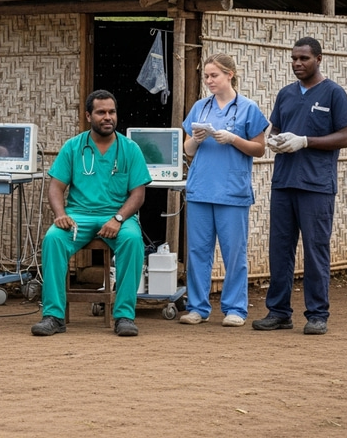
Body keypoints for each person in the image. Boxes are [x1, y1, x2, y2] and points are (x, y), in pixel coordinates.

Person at [253, 37, 347, 335]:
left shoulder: (334, 93)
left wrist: (306, 141)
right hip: (284, 182)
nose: (298, 63)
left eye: (304, 59)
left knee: (315, 249)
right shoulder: (286, 94)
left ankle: (317, 314)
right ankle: (279, 312)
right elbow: (277, 129)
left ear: (319, 59)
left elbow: (346, 137)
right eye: (294, 58)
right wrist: (275, 140)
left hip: (316, 185)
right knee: (280, 250)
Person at [31, 89, 151, 338]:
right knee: (53, 238)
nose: (108, 117)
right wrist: (60, 214)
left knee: (132, 240)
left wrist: (118, 219)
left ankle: (124, 316)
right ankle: (53, 315)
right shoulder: (74, 147)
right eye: (101, 112)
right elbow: (56, 187)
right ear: (88, 115)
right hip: (79, 215)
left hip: (118, 215)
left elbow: (138, 195)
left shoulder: (130, 149)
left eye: (112, 112)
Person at [180, 54, 268, 327]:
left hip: (232, 191)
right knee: (197, 252)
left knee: (234, 253)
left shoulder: (248, 108)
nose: (209, 81)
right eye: (206, 76)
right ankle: (197, 308)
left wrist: (233, 139)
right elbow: (187, 150)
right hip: (201, 189)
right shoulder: (200, 108)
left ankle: (235, 309)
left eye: (214, 75)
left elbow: (260, 148)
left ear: (230, 74)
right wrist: (195, 138)